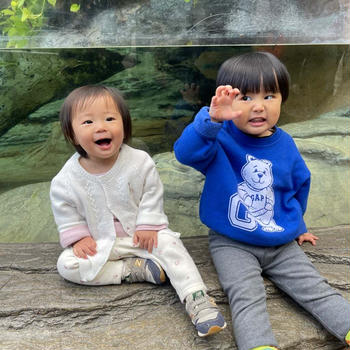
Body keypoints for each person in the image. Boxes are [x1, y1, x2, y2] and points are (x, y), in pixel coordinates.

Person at [174, 51, 350, 349]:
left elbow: (297, 187)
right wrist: (211, 120)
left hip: (280, 243)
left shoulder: (286, 144)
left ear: (283, 99)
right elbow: (185, 153)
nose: (258, 106)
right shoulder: (218, 138)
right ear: (228, 101)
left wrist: (298, 227)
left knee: (315, 289)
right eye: (245, 97)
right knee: (246, 295)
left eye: (270, 95)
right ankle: (259, 345)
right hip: (232, 242)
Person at [50, 85, 227, 337]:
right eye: (88, 122)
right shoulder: (66, 179)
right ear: (72, 134)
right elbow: (64, 209)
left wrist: (148, 224)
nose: (101, 127)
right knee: (66, 265)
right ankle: (132, 271)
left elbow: (151, 193)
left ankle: (197, 299)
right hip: (102, 242)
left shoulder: (140, 161)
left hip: (143, 236)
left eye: (110, 119)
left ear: (125, 125)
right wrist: (78, 237)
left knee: (172, 248)